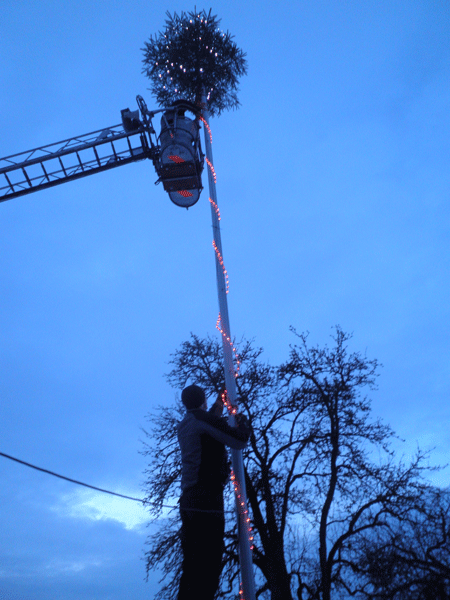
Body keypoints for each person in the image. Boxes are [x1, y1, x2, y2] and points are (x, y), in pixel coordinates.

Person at [177, 384, 250, 600]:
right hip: (206, 499)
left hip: (189, 500)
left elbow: (207, 429)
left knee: (192, 565)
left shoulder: (185, 424)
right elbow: (238, 440)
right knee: (208, 565)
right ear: (202, 401)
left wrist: (218, 407)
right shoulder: (201, 420)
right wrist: (243, 423)